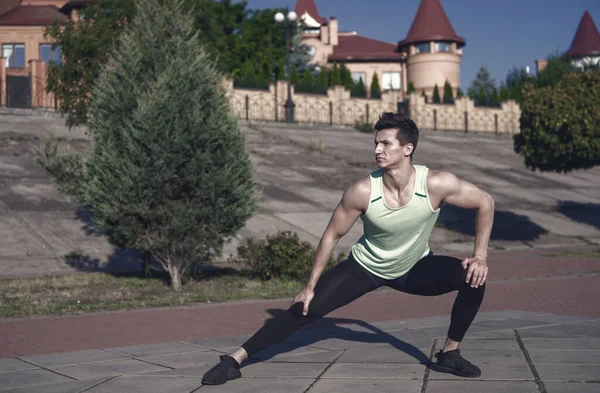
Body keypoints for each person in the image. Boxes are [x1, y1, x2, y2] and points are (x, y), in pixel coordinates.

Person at [201, 112, 494, 385]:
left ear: (407, 149)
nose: (378, 149)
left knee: (474, 278)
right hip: (366, 267)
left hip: (415, 267)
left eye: (386, 143)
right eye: (376, 143)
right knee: (305, 308)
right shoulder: (363, 190)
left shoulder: (436, 183)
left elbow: (485, 202)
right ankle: (234, 360)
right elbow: (332, 235)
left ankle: (449, 354)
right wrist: (309, 285)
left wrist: (480, 256)